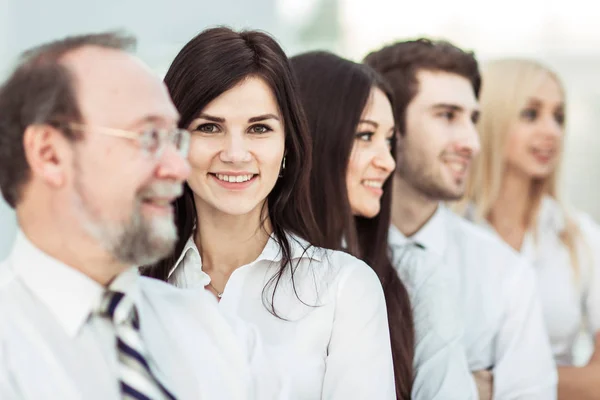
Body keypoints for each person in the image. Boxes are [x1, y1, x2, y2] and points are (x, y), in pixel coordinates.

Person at [0, 32, 261, 400]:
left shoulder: (215, 331)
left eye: (175, 140)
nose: (178, 167)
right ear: (49, 154)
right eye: (149, 137)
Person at [143, 27, 396, 399]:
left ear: (288, 146)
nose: (235, 153)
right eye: (209, 127)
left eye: (259, 128)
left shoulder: (344, 289)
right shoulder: (132, 285)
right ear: (175, 141)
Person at [365, 39, 558, 399]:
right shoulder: (319, 255)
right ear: (389, 124)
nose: (472, 142)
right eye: (447, 115)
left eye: (473, 119)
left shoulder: (505, 274)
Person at [290, 50, 476, 399]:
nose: (387, 162)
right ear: (311, 138)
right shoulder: (249, 274)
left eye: (389, 140)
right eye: (365, 136)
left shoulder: (414, 277)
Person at [459, 58, 600, 400]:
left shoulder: (579, 236)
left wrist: (496, 386)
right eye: (530, 114)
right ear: (492, 119)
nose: (552, 130)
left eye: (559, 117)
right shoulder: (447, 233)